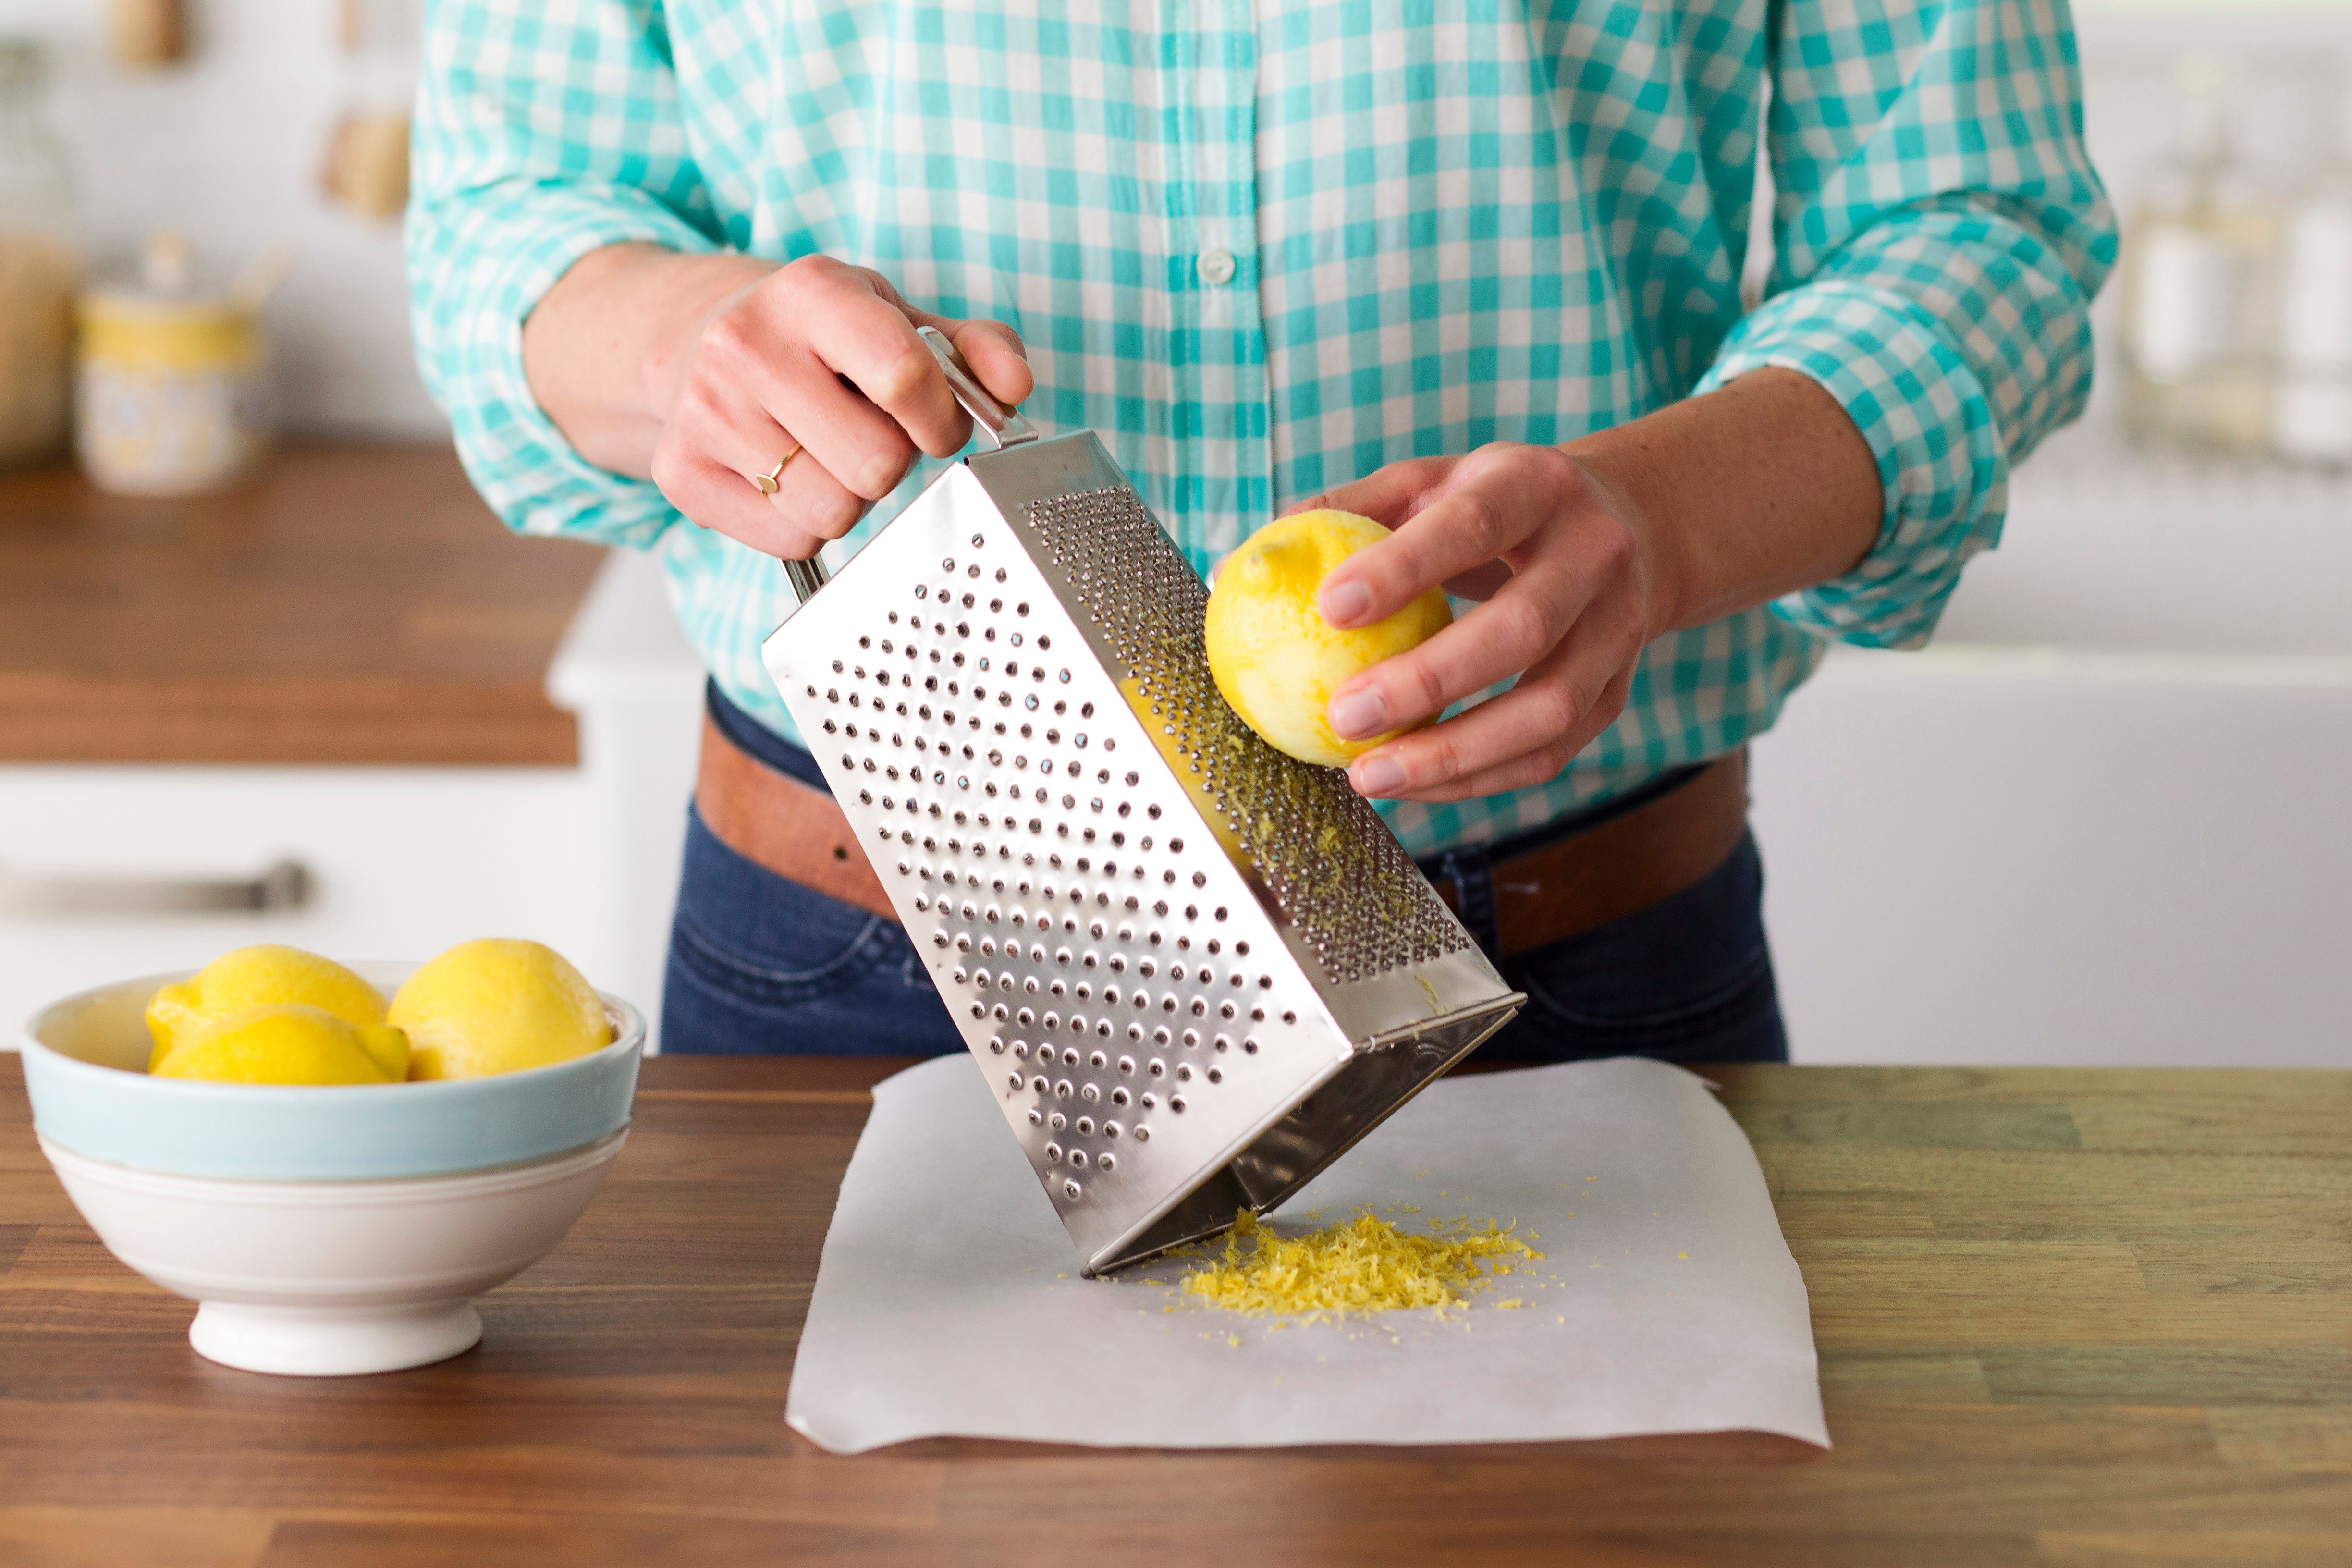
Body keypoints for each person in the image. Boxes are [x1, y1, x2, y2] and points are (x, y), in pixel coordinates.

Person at [410, 0, 2114, 1062]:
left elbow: (1979, 225)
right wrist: (678, 340)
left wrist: (1656, 522)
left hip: (1569, 971)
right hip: (867, 948)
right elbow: (501, 216)